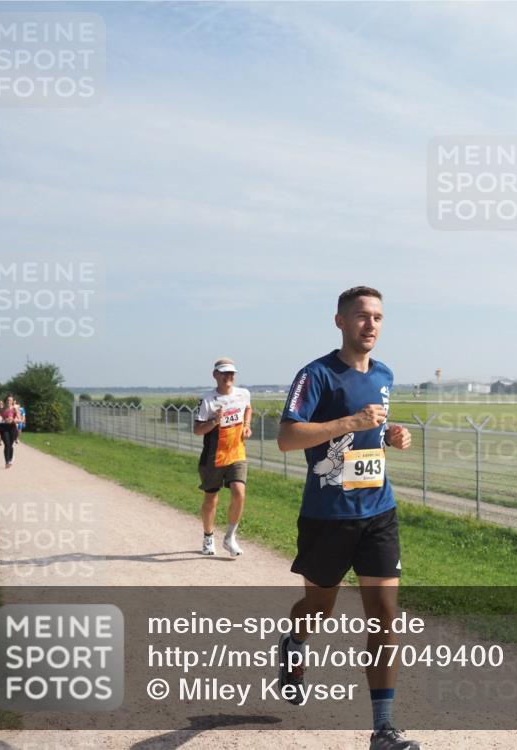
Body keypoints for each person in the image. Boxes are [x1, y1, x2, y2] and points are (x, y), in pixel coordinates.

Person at [277, 286, 418, 750]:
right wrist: (350, 423)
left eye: (377, 316)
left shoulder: (384, 374)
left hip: (379, 510)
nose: (371, 324)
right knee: (318, 609)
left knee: (385, 617)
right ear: (340, 321)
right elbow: (287, 437)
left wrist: (391, 436)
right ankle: (294, 642)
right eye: (361, 316)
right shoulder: (315, 374)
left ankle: (383, 728)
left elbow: (370, 440)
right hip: (327, 517)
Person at [193, 358, 252, 557]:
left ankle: (230, 537)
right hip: (213, 456)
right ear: (215, 375)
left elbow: (248, 408)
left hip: (237, 453)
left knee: (239, 492)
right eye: (224, 373)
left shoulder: (243, 394)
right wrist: (214, 422)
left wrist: (246, 425)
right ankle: (208, 536)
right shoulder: (208, 400)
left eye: (232, 373)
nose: (229, 377)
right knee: (211, 498)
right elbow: (197, 430)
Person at [0, 397, 20, 468]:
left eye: (10, 400)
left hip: (12, 428)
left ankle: (10, 459)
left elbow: (19, 419)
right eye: (7, 400)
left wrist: (13, 420)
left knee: (10, 445)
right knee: (6, 444)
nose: (9, 401)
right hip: (4, 428)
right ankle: (7, 461)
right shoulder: (2, 409)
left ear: (12, 401)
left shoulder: (14, 409)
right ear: (5, 401)